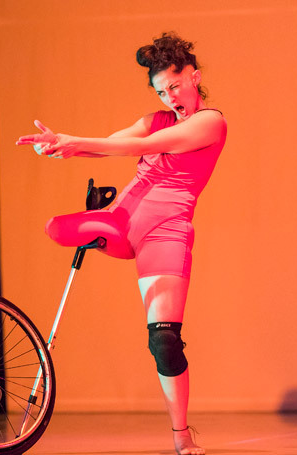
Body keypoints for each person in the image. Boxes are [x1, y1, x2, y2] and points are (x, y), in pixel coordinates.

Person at [16, 32, 226, 455]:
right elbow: (116, 141)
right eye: (162, 91)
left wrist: (77, 143)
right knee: (57, 227)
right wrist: (64, 146)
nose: (170, 97)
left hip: (165, 233)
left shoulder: (211, 121)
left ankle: (182, 437)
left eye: (176, 86)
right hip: (124, 222)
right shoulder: (156, 117)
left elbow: (143, 147)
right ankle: (101, 221)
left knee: (164, 341)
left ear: (195, 76)